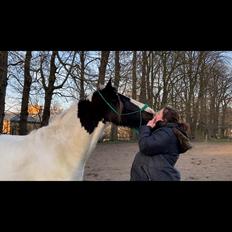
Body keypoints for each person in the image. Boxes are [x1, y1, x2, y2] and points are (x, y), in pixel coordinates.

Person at [130, 106, 192, 181]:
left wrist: (147, 127)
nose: (155, 114)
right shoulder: (164, 131)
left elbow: (145, 146)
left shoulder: (167, 133)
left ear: (164, 119)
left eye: (158, 113)